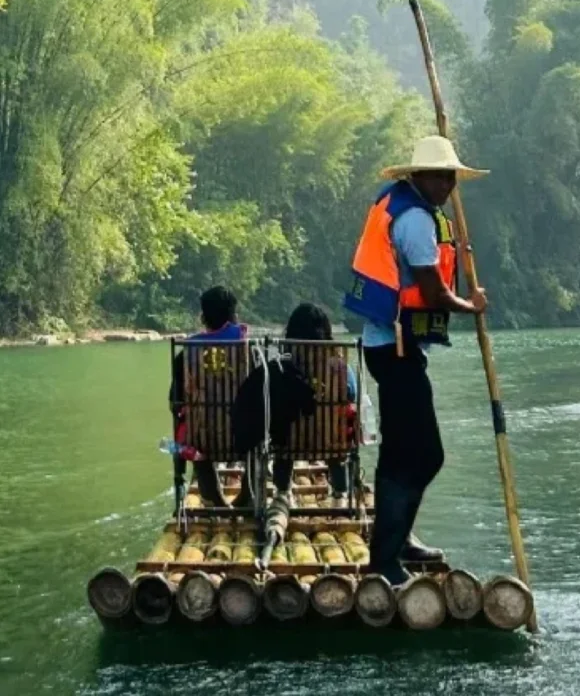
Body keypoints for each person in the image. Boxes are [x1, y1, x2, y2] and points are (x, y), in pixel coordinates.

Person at [343, 134, 489, 586]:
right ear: (417, 176)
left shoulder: (416, 209)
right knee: (424, 454)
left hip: (392, 347)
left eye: (451, 177)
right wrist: (472, 306)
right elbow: (431, 292)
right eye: (439, 176)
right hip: (395, 349)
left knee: (402, 452)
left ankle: (398, 541)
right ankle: (385, 559)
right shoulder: (414, 220)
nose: (447, 185)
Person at [231, 302, 354, 503]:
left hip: (289, 441)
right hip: (331, 440)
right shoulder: (340, 367)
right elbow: (351, 394)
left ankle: (283, 490)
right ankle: (340, 492)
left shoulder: (281, 367)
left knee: (283, 428)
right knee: (337, 433)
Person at [169, 286, 247, 507]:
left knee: (189, 434)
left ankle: (212, 497)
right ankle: (248, 495)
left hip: (201, 438)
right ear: (233, 316)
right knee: (258, 434)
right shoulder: (247, 352)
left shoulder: (186, 353)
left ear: (203, 316)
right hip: (242, 438)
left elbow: (174, 402)